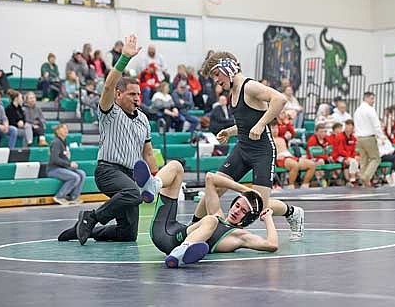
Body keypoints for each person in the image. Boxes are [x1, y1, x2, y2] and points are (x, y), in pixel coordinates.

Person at [59, 34, 158, 245]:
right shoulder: (109, 112)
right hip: (108, 171)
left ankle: (84, 230)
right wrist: (124, 59)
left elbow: (148, 152)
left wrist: (155, 179)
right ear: (118, 95)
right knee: (133, 192)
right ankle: (91, 218)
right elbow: (107, 86)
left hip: (131, 174)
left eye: (138, 94)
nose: (137, 98)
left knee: (127, 234)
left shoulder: (143, 119)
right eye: (132, 94)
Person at [200, 52, 304, 240]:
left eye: (217, 74)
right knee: (213, 186)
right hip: (243, 148)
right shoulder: (234, 91)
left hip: (261, 152)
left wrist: (262, 124)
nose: (216, 81)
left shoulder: (250, 86)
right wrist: (230, 132)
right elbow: (246, 122)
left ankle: (292, 212)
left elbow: (280, 99)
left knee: (260, 207)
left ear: (227, 68)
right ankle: (193, 226)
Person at [132, 159, 278, 268]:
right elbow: (210, 178)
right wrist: (244, 190)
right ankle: (154, 185)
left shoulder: (241, 236)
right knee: (176, 166)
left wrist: (268, 218)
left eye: (243, 211)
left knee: (211, 220)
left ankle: (182, 251)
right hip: (165, 228)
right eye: (237, 206)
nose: (236, 211)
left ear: (248, 219)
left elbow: (272, 245)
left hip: (173, 242)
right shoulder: (218, 214)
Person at [47, 124, 86, 205]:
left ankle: (74, 197)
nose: (66, 130)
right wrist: (69, 164)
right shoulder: (56, 142)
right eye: (63, 128)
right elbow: (55, 159)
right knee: (75, 177)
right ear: (57, 131)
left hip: (64, 168)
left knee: (82, 173)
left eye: (66, 128)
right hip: (54, 169)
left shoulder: (63, 142)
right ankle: (59, 197)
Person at [272, 120, 316, 189]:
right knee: (294, 165)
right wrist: (276, 157)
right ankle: (291, 185)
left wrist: (287, 122)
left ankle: (305, 185)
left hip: (289, 157)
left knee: (312, 164)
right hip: (280, 159)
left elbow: (292, 133)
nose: (275, 130)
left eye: (276, 128)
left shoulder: (282, 138)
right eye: (273, 128)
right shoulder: (269, 140)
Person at [353, 92, 385, 187]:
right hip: (369, 137)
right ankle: (365, 176)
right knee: (376, 158)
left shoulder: (357, 110)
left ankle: (364, 180)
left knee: (364, 159)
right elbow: (376, 125)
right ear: (366, 98)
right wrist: (381, 137)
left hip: (359, 138)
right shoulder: (370, 110)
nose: (373, 101)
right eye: (372, 98)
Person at [332, 119, 359, 187]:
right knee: (353, 161)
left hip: (348, 156)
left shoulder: (353, 138)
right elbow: (340, 151)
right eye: (347, 126)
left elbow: (354, 150)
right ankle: (352, 180)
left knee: (357, 159)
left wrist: (353, 156)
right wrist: (348, 157)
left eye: (350, 127)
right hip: (338, 156)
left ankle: (353, 178)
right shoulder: (339, 136)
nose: (348, 128)